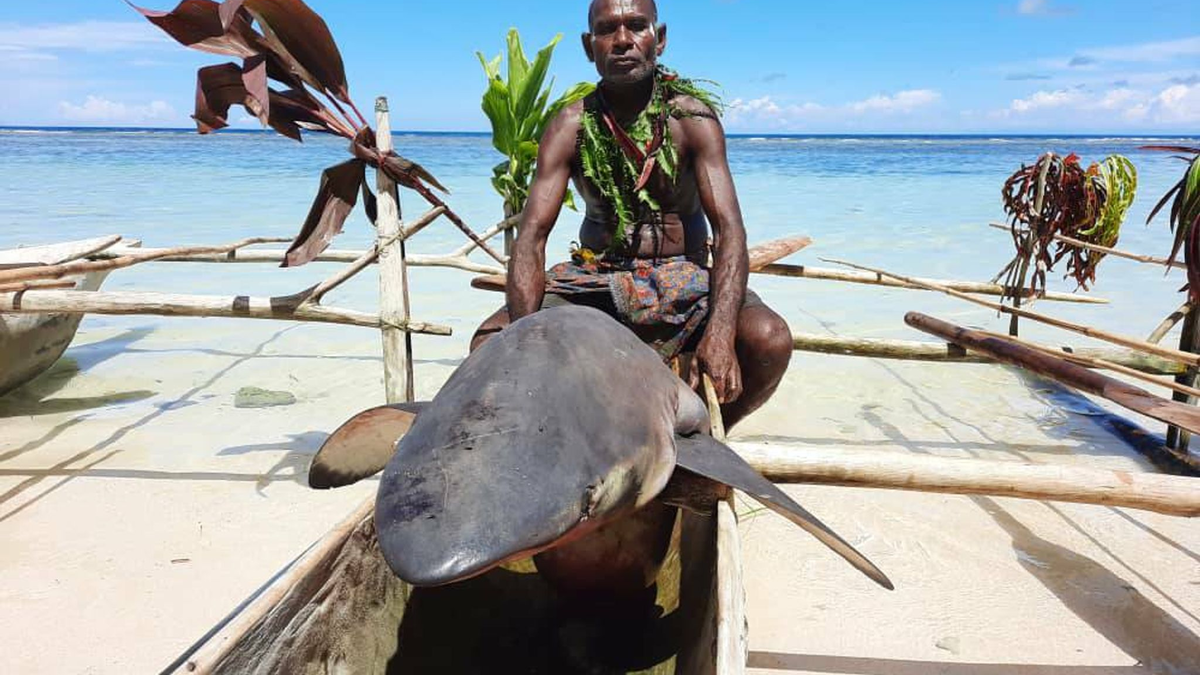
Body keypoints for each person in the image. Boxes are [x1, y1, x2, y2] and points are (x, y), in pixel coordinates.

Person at [472, 0, 793, 430]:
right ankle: (557, 443)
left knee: (770, 339)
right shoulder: (570, 125)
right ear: (590, 46)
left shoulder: (692, 119)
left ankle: (707, 444)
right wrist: (522, 339)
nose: (623, 40)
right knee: (487, 345)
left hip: (686, 280)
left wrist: (719, 332)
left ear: (658, 39)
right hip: (598, 280)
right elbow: (531, 235)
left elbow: (729, 229)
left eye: (636, 26)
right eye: (607, 30)